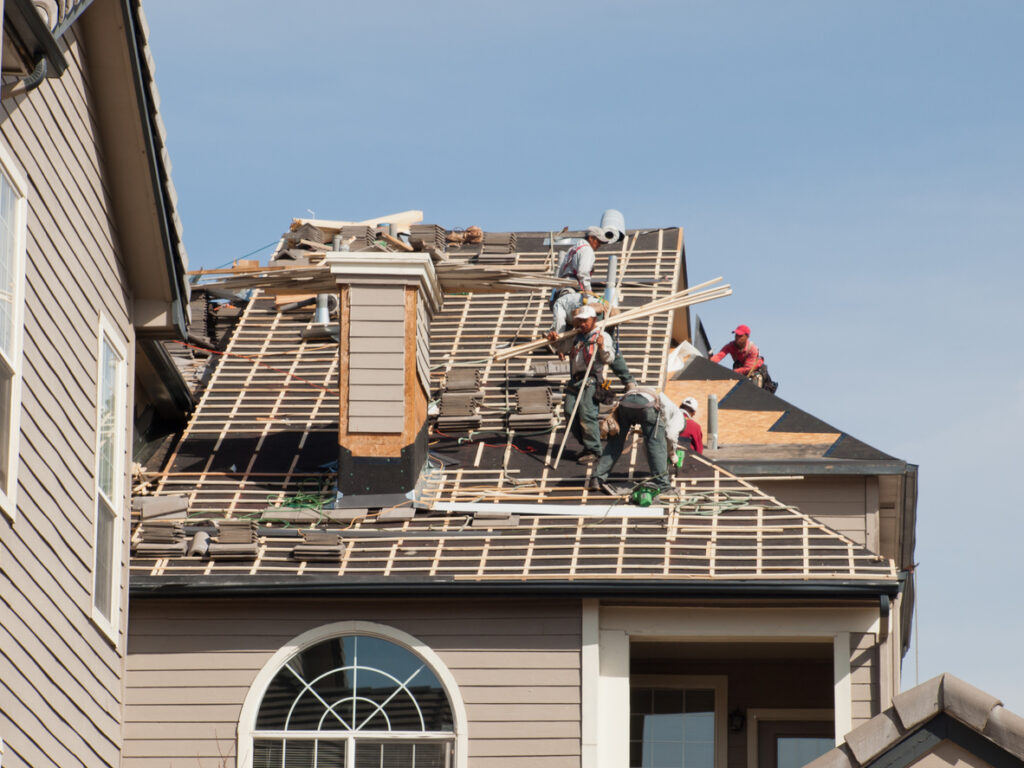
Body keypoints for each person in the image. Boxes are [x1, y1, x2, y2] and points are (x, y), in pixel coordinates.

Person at [590, 387, 686, 495]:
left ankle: (597, 478)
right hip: (646, 405)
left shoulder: (666, 401)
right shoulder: (678, 416)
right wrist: (672, 452)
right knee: (656, 445)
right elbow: (670, 434)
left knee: (615, 442)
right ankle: (663, 485)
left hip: (625, 403)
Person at [554, 304, 614, 464]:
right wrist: (555, 340)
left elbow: (609, 359)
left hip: (591, 380)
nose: (582, 324)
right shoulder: (575, 336)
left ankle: (594, 450)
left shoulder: (601, 336)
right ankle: (586, 444)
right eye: (579, 321)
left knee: (587, 414)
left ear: (593, 319)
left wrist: (601, 347)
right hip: (575, 379)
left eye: (585, 321)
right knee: (569, 412)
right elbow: (561, 348)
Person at [710, 324, 775, 390]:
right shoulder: (730, 346)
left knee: (756, 380)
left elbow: (748, 368)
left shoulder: (752, 349)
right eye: (736, 335)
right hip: (741, 368)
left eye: (740, 336)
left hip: (755, 370)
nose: (737, 338)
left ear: (747, 337)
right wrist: (708, 362)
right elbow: (719, 356)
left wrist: (732, 372)